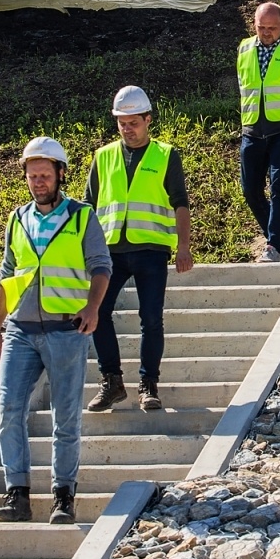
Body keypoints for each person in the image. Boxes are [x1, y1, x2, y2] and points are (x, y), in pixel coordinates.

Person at [0, 137, 111, 526]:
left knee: (66, 416)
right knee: (9, 410)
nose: (38, 182)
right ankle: (17, 494)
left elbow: (101, 267)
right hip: (20, 331)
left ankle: (63, 496)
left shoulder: (81, 217)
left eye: (44, 174)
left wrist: (93, 308)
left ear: (61, 174)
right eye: (32, 175)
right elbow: (8, 274)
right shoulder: (17, 218)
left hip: (66, 331)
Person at [83, 86, 192, 415]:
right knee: (96, 313)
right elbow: (88, 208)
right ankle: (113, 381)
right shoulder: (103, 157)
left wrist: (183, 247)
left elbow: (181, 203)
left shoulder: (165, 155)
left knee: (151, 319)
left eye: (134, 122)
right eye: (122, 123)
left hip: (151, 250)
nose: (128, 129)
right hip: (109, 252)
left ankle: (149, 385)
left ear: (148, 120)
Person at [236, 3, 280, 262]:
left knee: (279, 186)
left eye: (271, 28)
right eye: (260, 27)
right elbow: (245, 87)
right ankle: (276, 235)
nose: (265, 33)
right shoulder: (244, 48)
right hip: (253, 129)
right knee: (250, 189)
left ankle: (274, 244)